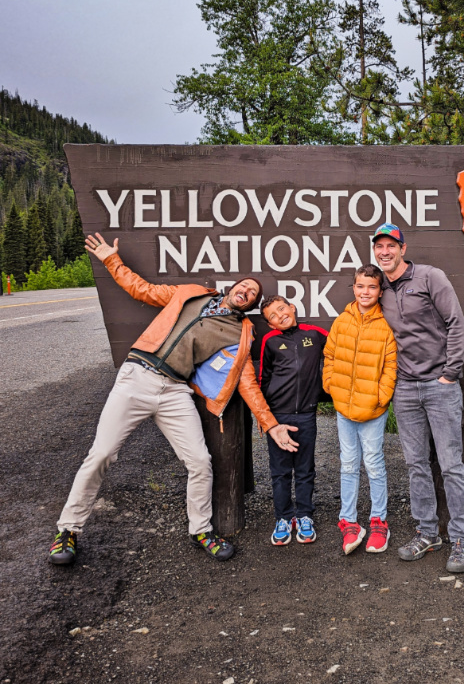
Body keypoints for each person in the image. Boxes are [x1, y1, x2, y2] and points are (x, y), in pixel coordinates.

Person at [48, 232, 299, 567]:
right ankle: (68, 529)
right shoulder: (189, 294)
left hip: (175, 390)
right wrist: (111, 258)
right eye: (245, 285)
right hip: (137, 376)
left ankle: (201, 530)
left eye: (253, 294)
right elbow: (142, 289)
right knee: (102, 454)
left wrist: (271, 426)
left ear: (251, 306)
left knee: (199, 461)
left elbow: (248, 385)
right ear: (232, 287)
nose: (247, 291)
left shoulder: (240, 335)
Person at [372, 223, 464, 573]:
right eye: (378, 246)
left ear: (403, 247)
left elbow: (457, 324)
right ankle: (428, 532)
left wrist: (450, 374)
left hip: (438, 385)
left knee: (450, 465)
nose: (384, 251)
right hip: (405, 388)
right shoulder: (379, 287)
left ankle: (461, 540)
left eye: (390, 245)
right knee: (416, 465)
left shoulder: (430, 277)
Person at [323, 264, 397, 555]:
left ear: (380, 291)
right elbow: (329, 355)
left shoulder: (386, 324)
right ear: (353, 288)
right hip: (344, 405)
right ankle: (349, 521)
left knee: (374, 463)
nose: (365, 292)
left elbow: (391, 365)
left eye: (372, 287)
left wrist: (381, 396)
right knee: (349, 464)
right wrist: (330, 384)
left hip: (373, 408)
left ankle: (379, 521)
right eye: (360, 286)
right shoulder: (342, 321)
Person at [259, 296, 327, 546]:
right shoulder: (270, 341)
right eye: (272, 316)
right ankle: (284, 518)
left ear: (292, 308)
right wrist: (265, 417)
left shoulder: (314, 333)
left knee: (305, 469)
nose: (279, 316)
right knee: (280, 471)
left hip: (307, 414)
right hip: (278, 417)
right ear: (270, 324)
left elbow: (341, 349)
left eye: (281, 309)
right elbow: (263, 379)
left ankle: (305, 515)